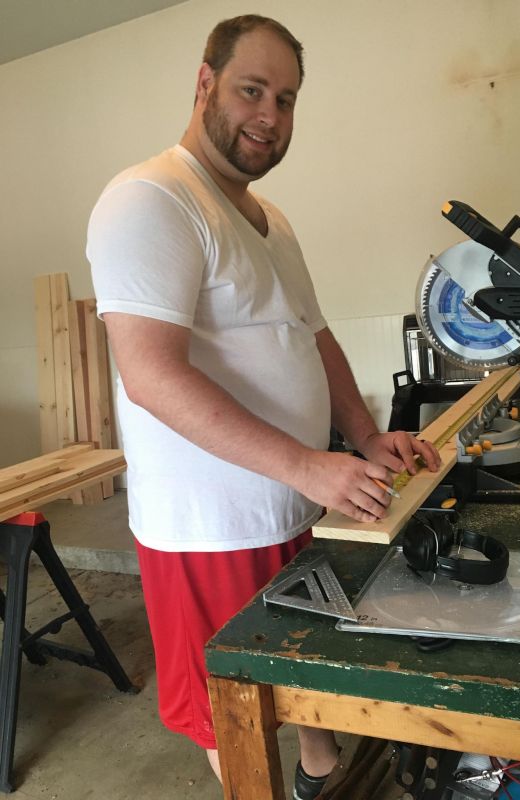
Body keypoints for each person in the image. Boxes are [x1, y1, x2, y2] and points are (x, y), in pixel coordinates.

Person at [87, 14, 440, 800]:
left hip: (290, 505)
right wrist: (310, 464)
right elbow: (149, 375)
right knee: (232, 711)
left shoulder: (270, 219)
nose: (270, 117)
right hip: (205, 529)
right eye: (253, 90)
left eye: (286, 99)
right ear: (205, 82)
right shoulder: (150, 197)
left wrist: (362, 436)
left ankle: (325, 777)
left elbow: (314, 338)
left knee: (303, 670)